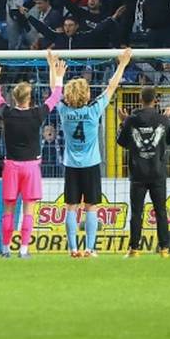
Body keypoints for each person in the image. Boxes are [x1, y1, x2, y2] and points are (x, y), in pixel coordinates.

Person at [0, 51, 65, 258]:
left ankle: (5, 249)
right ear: (29, 98)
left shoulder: (7, 113)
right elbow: (56, 97)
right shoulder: (37, 114)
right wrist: (58, 75)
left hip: (12, 166)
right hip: (31, 167)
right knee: (29, 210)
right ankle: (23, 250)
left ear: (14, 97)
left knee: (8, 210)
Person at [58, 48, 132, 258]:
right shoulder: (93, 111)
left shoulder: (64, 111)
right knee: (91, 207)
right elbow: (111, 86)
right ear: (87, 93)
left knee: (71, 207)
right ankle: (90, 249)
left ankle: (73, 248)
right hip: (90, 165)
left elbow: (55, 91)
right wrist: (122, 64)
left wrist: (55, 70)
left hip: (71, 165)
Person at [117, 86, 170, 258]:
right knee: (161, 211)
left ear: (140, 99)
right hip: (157, 172)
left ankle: (134, 249)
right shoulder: (163, 120)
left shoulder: (131, 120)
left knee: (136, 212)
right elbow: (169, 140)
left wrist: (123, 121)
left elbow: (121, 142)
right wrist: (166, 119)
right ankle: (164, 249)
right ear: (155, 100)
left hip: (138, 173)